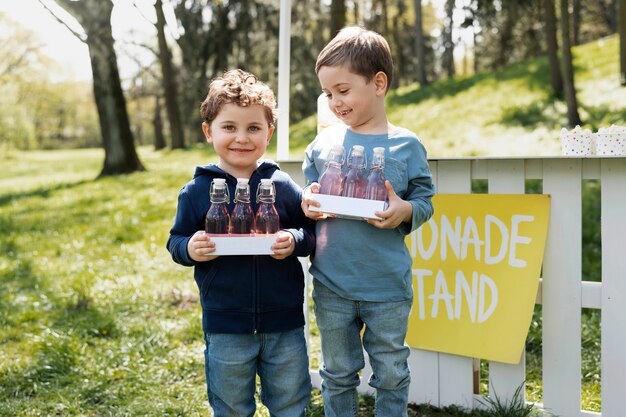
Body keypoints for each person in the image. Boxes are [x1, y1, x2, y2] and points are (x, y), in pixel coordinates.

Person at [301, 27, 435, 417]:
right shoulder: (321, 145)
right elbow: (306, 197)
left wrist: (406, 211)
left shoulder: (406, 145)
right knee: (338, 372)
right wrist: (307, 202)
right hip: (332, 283)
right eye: (327, 94)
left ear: (378, 83)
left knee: (392, 372)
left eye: (342, 90)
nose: (334, 102)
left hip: (387, 286)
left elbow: (425, 199)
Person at [167, 69, 315, 417]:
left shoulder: (281, 184)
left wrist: (293, 240)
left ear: (269, 133)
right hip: (225, 323)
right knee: (231, 404)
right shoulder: (196, 191)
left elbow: (311, 232)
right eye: (229, 128)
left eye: (253, 128)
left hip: (284, 321)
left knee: (291, 400)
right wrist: (190, 248)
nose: (241, 138)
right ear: (209, 131)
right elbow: (176, 240)